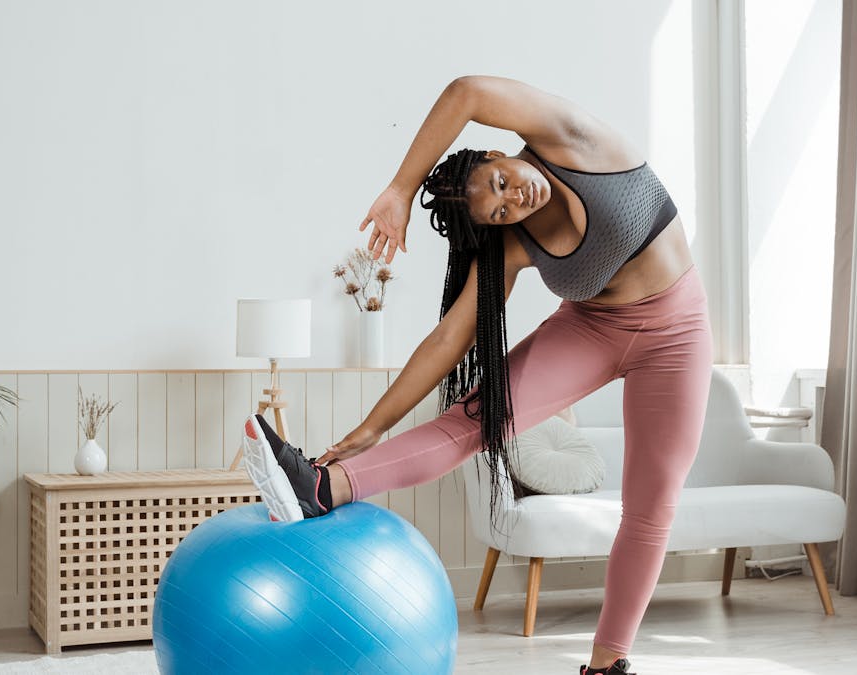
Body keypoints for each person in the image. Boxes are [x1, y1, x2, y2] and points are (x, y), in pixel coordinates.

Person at [240, 75, 712, 675]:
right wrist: (371, 426)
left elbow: (466, 91)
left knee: (651, 506)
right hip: (592, 329)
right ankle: (319, 486)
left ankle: (606, 666)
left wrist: (400, 189)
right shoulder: (514, 241)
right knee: (472, 419)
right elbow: (447, 340)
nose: (515, 199)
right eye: (500, 210)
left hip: (677, 332)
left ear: (497, 154)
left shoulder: (575, 142)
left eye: (501, 182)